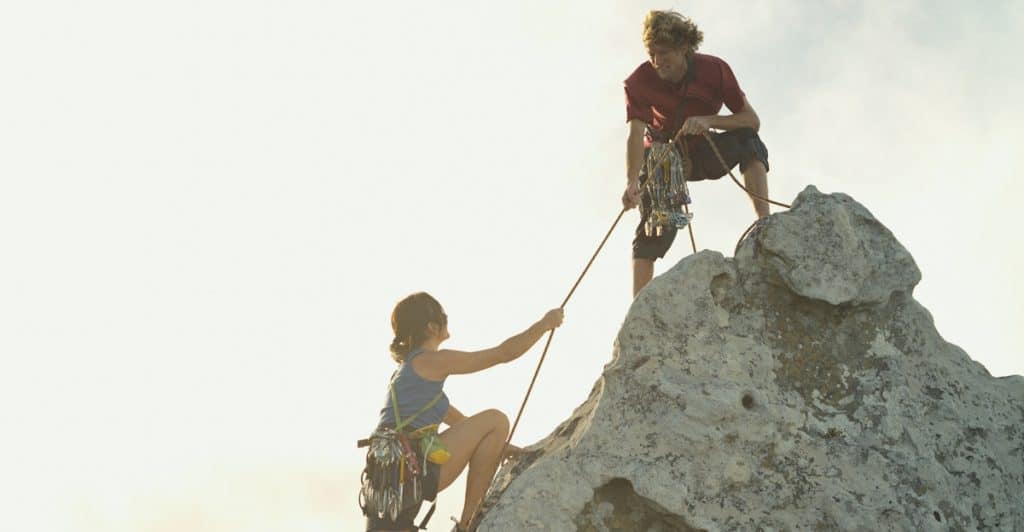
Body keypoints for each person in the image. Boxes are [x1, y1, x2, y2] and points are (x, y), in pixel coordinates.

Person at [366, 292, 564, 531]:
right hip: (411, 469)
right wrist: (545, 324)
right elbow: (503, 353)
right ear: (431, 327)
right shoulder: (432, 361)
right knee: (496, 420)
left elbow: (459, 422)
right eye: (443, 316)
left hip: (390, 479)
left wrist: (498, 446)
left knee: (492, 427)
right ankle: (468, 524)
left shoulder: (407, 376)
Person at [622, 10, 771, 297]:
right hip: (663, 156)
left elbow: (751, 120)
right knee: (660, 223)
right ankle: (639, 304)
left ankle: (765, 224)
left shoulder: (715, 71)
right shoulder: (639, 81)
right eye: (652, 54)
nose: (657, 61)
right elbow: (635, 134)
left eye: (664, 53)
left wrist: (709, 121)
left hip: (701, 150)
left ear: (684, 47)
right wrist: (631, 182)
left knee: (748, 140)